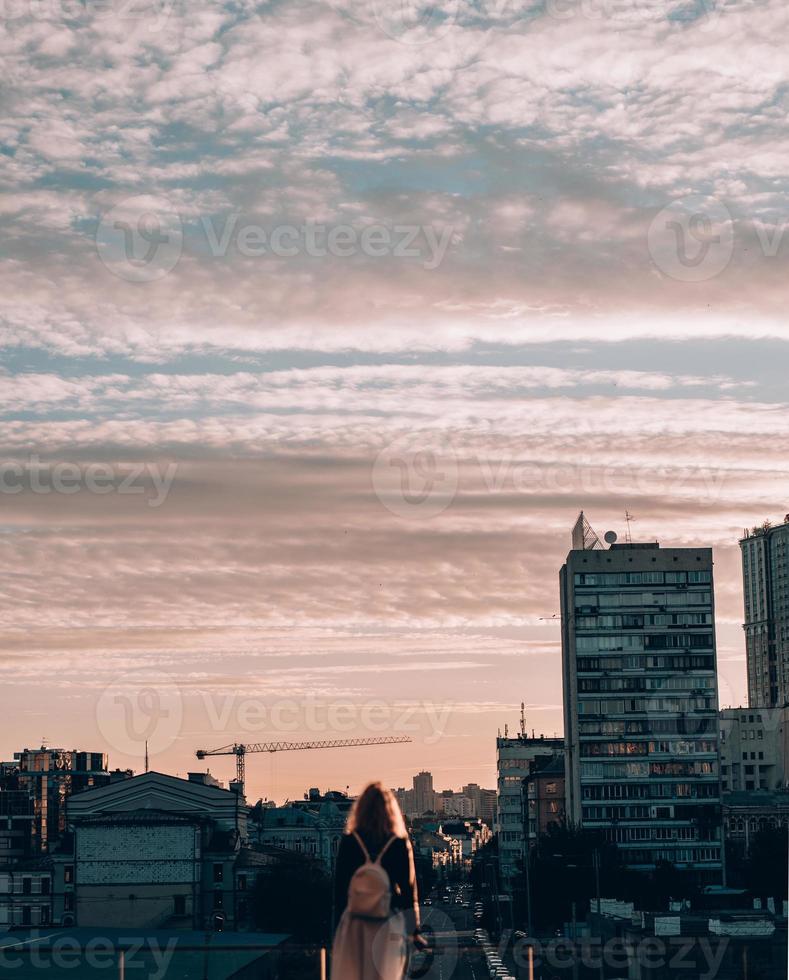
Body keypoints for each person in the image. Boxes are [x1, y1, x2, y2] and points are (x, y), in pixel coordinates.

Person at [332, 782, 427, 980]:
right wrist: (414, 931)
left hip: (355, 923)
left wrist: (336, 931)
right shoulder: (398, 843)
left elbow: (340, 890)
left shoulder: (350, 841)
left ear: (361, 809)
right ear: (391, 811)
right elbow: (409, 892)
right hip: (389, 923)